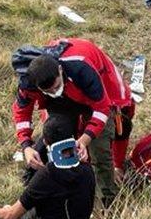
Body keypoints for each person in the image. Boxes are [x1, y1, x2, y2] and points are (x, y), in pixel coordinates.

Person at [12, 38, 134, 206]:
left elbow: (102, 108)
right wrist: (26, 146)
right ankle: (65, 183)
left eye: (56, 87)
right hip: (66, 94)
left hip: (99, 89)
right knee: (57, 131)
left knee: (100, 148)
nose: (55, 92)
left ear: (60, 70)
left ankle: (107, 201)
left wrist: (85, 139)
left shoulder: (82, 69)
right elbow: (22, 112)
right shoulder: (29, 83)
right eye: (48, 91)